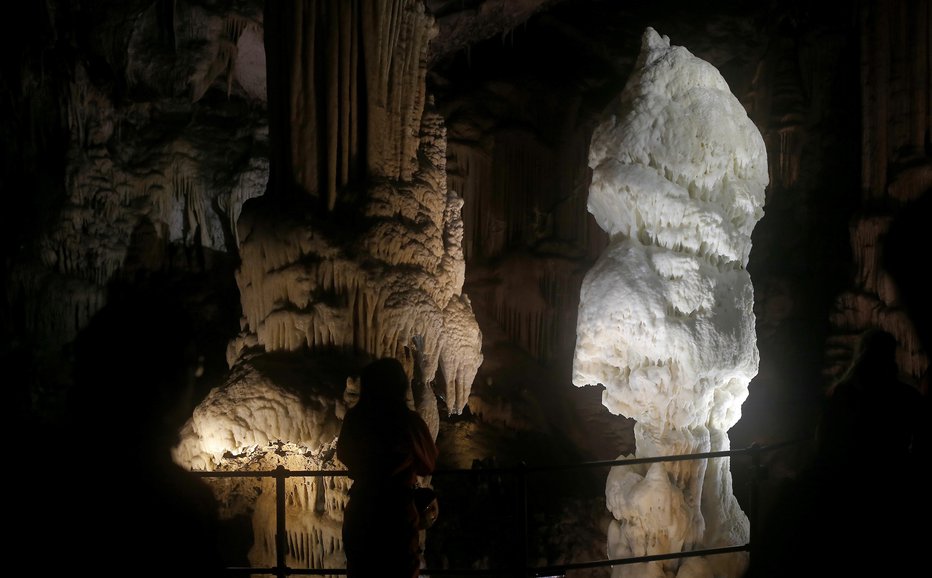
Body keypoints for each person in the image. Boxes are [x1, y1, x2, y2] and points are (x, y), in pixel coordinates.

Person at [336, 357, 439, 578]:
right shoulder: (407, 421)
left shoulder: (355, 419)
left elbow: (344, 454)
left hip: (362, 511)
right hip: (396, 516)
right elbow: (428, 463)